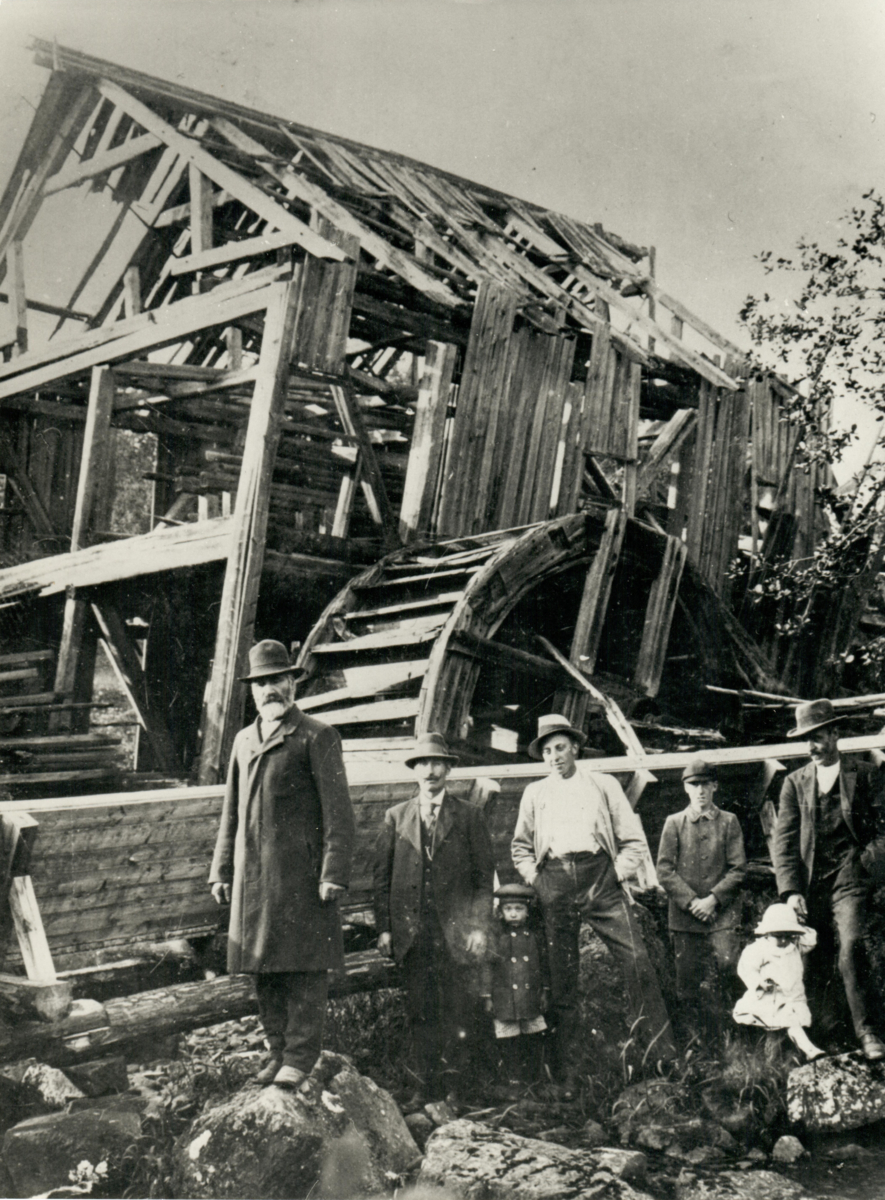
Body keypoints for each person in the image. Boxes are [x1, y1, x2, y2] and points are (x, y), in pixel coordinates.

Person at [209, 639, 355, 1089]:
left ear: (292, 683)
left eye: (276, 680)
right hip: (255, 880)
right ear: (252, 690)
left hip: (301, 879)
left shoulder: (317, 735)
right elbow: (230, 812)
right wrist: (221, 869)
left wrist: (333, 872)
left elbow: (339, 813)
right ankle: (276, 1052)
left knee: (304, 968)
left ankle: (300, 1057)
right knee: (263, 967)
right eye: (260, 683)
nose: (268, 689)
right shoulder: (243, 740)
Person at [511, 714, 675, 1088]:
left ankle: (662, 1057)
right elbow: (520, 847)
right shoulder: (535, 793)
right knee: (561, 977)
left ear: (575, 747)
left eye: (560, 748)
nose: (554, 756)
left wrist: (616, 873)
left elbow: (633, 840)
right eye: (547, 751)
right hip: (554, 882)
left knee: (637, 960)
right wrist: (537, 879)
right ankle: (567, 1071)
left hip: (600, 878)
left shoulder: (603, 785)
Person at [374, 732, 495, 1100]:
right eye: (423, 764)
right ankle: (425, 1086)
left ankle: (457, 1086)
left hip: (456, 932)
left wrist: (479, 928)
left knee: (459, 1008)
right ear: (415, 771)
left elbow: (483, 879)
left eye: (437, 763)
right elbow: (382, 879)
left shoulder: (469, 816)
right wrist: (385, 930)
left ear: (448, 769)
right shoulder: (396, 817)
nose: (430, 771)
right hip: (412, 933)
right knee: (420, 1009)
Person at [773, 698, 885, 1060]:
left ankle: (868, 1032)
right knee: (813, 954)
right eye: (806, 740)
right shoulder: (794, 783)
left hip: (851, 877)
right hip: (811, 884)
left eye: (817, 737)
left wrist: (864, 866)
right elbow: (784, 842)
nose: (812, 747)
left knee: (851, 946)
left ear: (835, 734)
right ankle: (826, 1034)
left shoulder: (865, 774)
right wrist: (791, 891)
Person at [656, 758, 747, 1040]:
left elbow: (738, 869)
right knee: (687, 981)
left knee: (729, 968)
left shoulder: (729, 821)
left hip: (723, 914)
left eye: (705, 784)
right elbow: (664, 870)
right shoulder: (674, 823)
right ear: (686, 788)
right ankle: (694, 1042)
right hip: (685, 917)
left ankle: (735, 1035)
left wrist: (713, 900)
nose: (700, 790)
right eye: (694, 785)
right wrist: (692, 902)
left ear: (715, 786)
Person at [733, 903, 823, 1061]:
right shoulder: (758, 949)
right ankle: (801, 1052)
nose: (783, 940)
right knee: (780, 1029)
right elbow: (746, 969)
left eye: (788, 935)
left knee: (791, 1023)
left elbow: (810, 940)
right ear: (767, 932)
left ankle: (802, 1052)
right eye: (778, 935)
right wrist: (759, 982)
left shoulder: (794, 946)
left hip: (791, 997)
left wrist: (798, 924)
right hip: (770, 997)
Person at [483, 882, 549, 1094]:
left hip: (529, 995)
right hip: (505, 996)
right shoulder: (496, 937)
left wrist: (545, 991)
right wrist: (487, 996)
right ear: (500, 912)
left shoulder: (535, 936)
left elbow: (543, 964)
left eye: (519, 909)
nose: (513, 914)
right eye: (508, 909)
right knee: (508, 1039)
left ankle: (534, 1080)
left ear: (527, 911)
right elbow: (488, 966)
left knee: (533, 1036)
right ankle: (514, 1080)